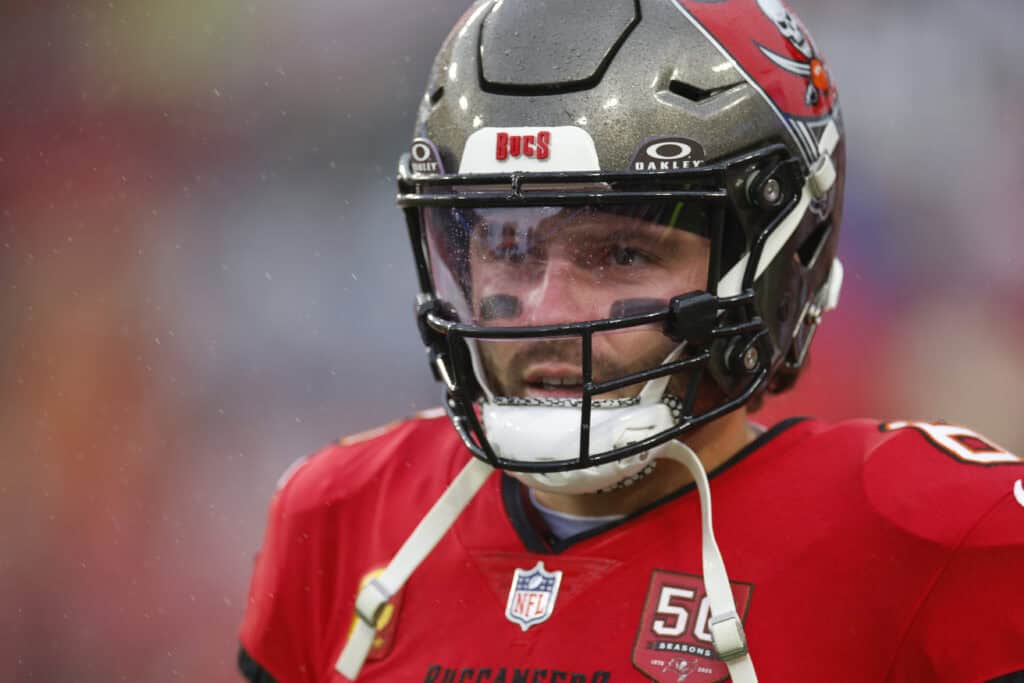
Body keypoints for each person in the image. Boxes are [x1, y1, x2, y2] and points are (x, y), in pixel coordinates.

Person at [238, 1, 1024, 681]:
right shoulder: (343, 518)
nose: (548, 309)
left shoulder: (928, 537)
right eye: (510, 246)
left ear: (775, 264)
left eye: (620, 253)